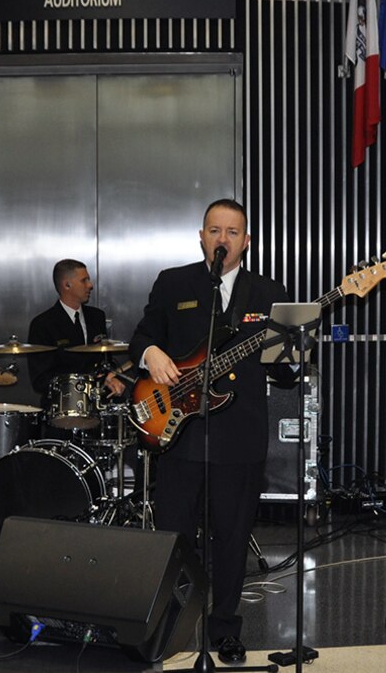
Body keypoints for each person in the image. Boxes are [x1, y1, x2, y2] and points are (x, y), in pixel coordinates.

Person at [128, 198, 292, 664]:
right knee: (173, 536)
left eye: (233, 232)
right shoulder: (173, 282)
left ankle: (224, 628)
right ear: (201, 236)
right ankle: (167, 624)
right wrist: (151, 355)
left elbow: (281, 369)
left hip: (239, 436)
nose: (223, 239)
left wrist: (292, 360)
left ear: (247, 241)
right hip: (179, 433)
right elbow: (141, 336)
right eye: (214, 230)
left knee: (233, 536)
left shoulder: (268, 291)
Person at [27, 259, 124, 399]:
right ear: (67, 285)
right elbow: (40, 380)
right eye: (84, 280)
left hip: (97, 403)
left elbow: (105, 361)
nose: (90, 285)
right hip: (61, 406)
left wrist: (111, 377)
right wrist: (82, 384)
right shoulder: (43, 324)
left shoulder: (97, 317)